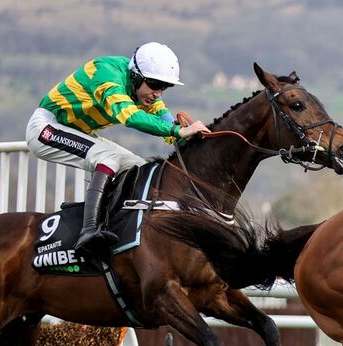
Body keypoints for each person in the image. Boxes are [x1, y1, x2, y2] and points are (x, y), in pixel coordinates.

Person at [25, 42, 210, 258]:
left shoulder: (143, 88)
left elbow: (162, 116)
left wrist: (183, 136)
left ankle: (115, 222)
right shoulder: (107, 74)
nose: (158, 93)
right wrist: (176, 132)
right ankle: (89, 231)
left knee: (139, 167)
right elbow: (129, 117)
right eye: (154, 84)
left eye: (164, 87)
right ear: (135, 75)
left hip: (77, 132)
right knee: (108, 157)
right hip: (46, 128)